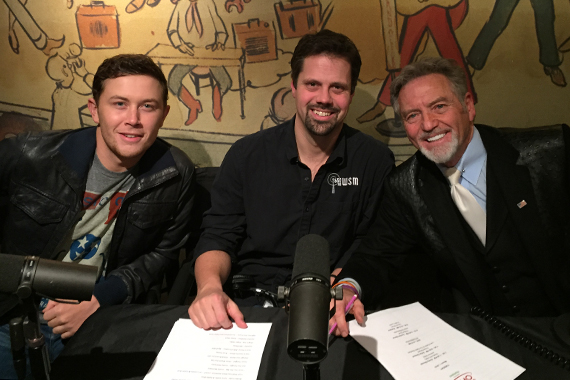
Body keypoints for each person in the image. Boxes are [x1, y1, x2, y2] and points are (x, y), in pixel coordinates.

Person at [331, 57, 570, 337]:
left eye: (439, 107)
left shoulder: (554, 151)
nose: (428, 124)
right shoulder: (405, 187)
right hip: (484, 341)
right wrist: (347, 287)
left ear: (468, 106)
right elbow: (376, 256)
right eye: (412, 116)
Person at [0, 54, 195, 378]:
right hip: (15, 313)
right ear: (95, 109)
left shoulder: (175, 172)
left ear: (164, 114)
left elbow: (161, 254)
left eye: (148, 106)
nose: (133, 118)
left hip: (101, 313)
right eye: (119, 103)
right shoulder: (28, 155)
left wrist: (99, 299)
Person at [188, 29, 395, 330]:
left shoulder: (374, 161)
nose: (324, 99)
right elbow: (218, 235)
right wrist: (209, 289)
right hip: (246, 307)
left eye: (337, 88)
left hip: (331, 306)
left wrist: (345, 286)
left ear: (350, 94)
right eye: (313, 84)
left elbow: (372, 243)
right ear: (294, 87)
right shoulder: (247, 155)